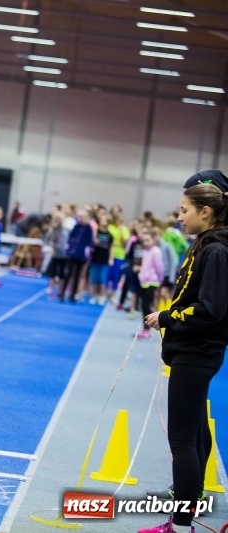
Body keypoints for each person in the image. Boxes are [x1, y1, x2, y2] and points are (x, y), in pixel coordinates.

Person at [142, 170, 228, 533]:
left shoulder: (218, 249)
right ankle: (190, 505)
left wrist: (167, 317)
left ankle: (179, 524)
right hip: (192, 349)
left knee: (182, 439)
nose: (179, 217)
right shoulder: (207, 242)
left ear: (206, 211)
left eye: (184, 210)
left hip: (197, 350)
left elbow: (210, 308)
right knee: (193, 434)